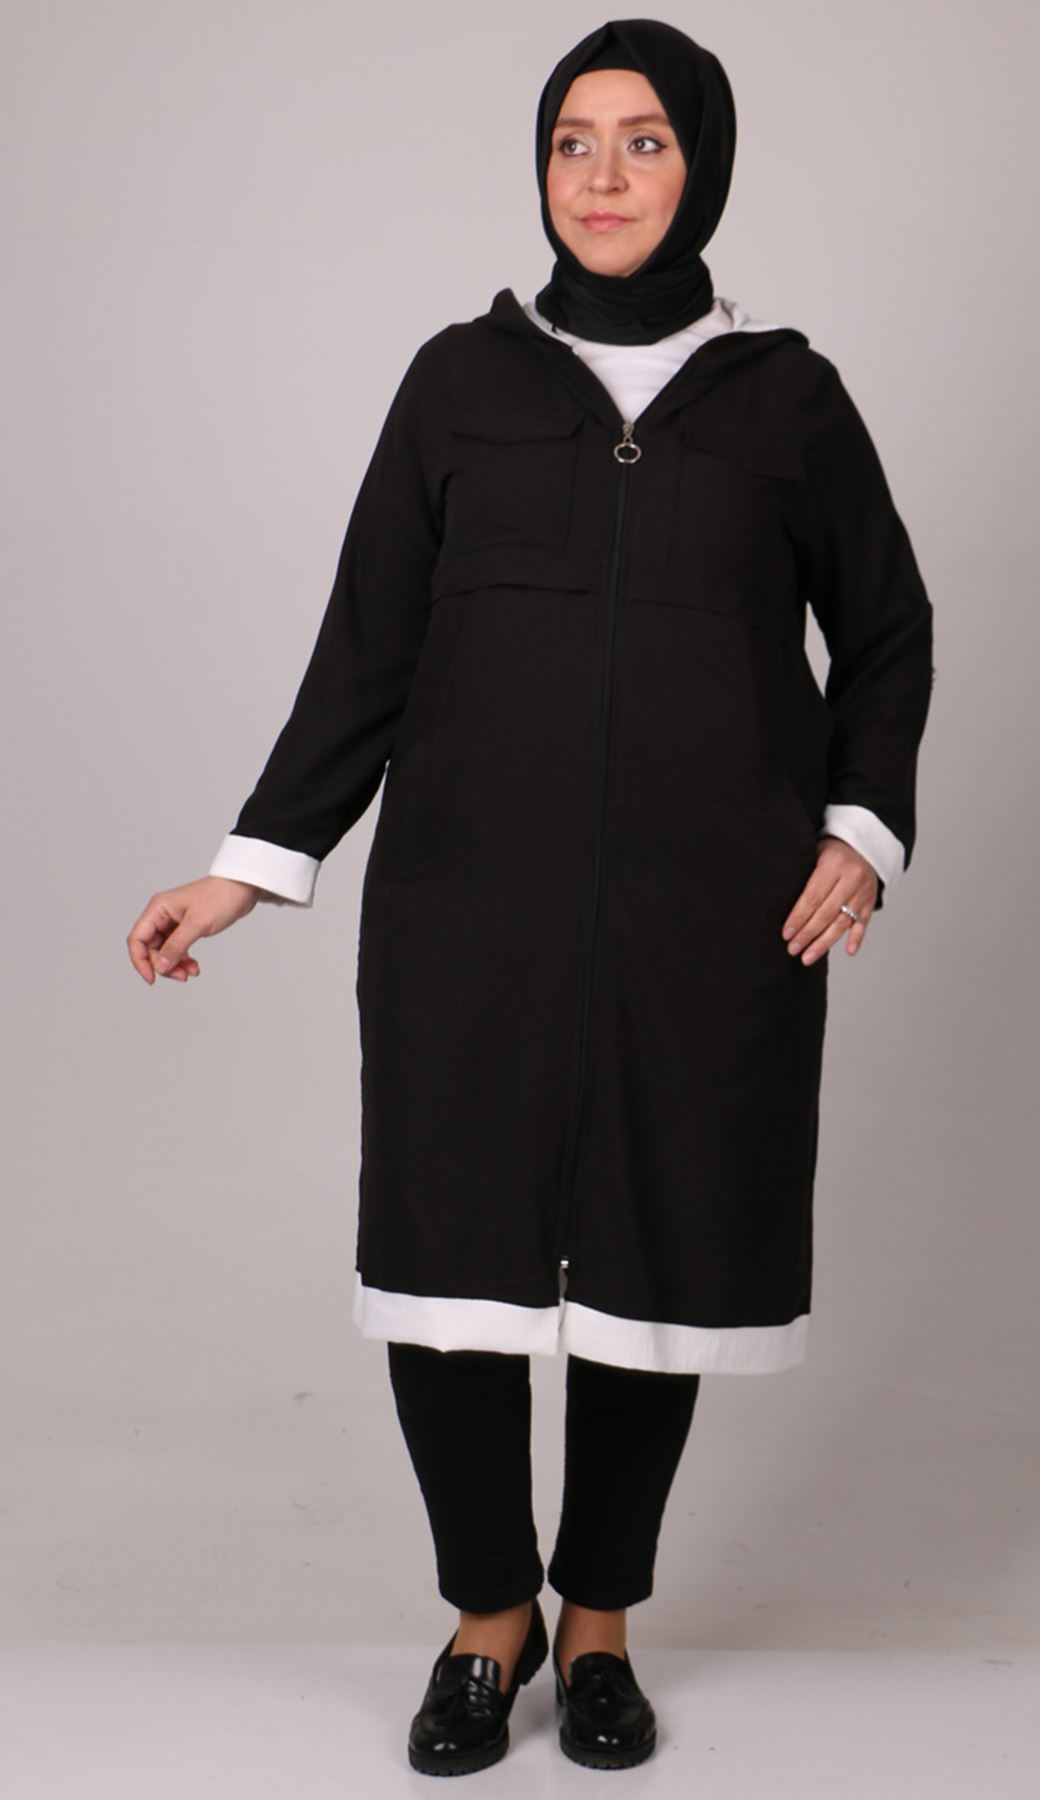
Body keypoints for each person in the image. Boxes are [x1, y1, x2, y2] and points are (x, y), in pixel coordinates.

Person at [127, 16, 934, 1779]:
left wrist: (859, 831)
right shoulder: (458, 383)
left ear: (702, 166)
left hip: (706, 925)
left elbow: (886, 628)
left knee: (660, 1269)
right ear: (540, 167)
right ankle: (488, 1618)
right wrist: (250, 868)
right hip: (467, 912)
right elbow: (367, 647)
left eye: (646, 141)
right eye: (576, 140)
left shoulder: (787, 398)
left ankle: (602, 1625)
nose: (605, 174)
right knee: (454, 1268)